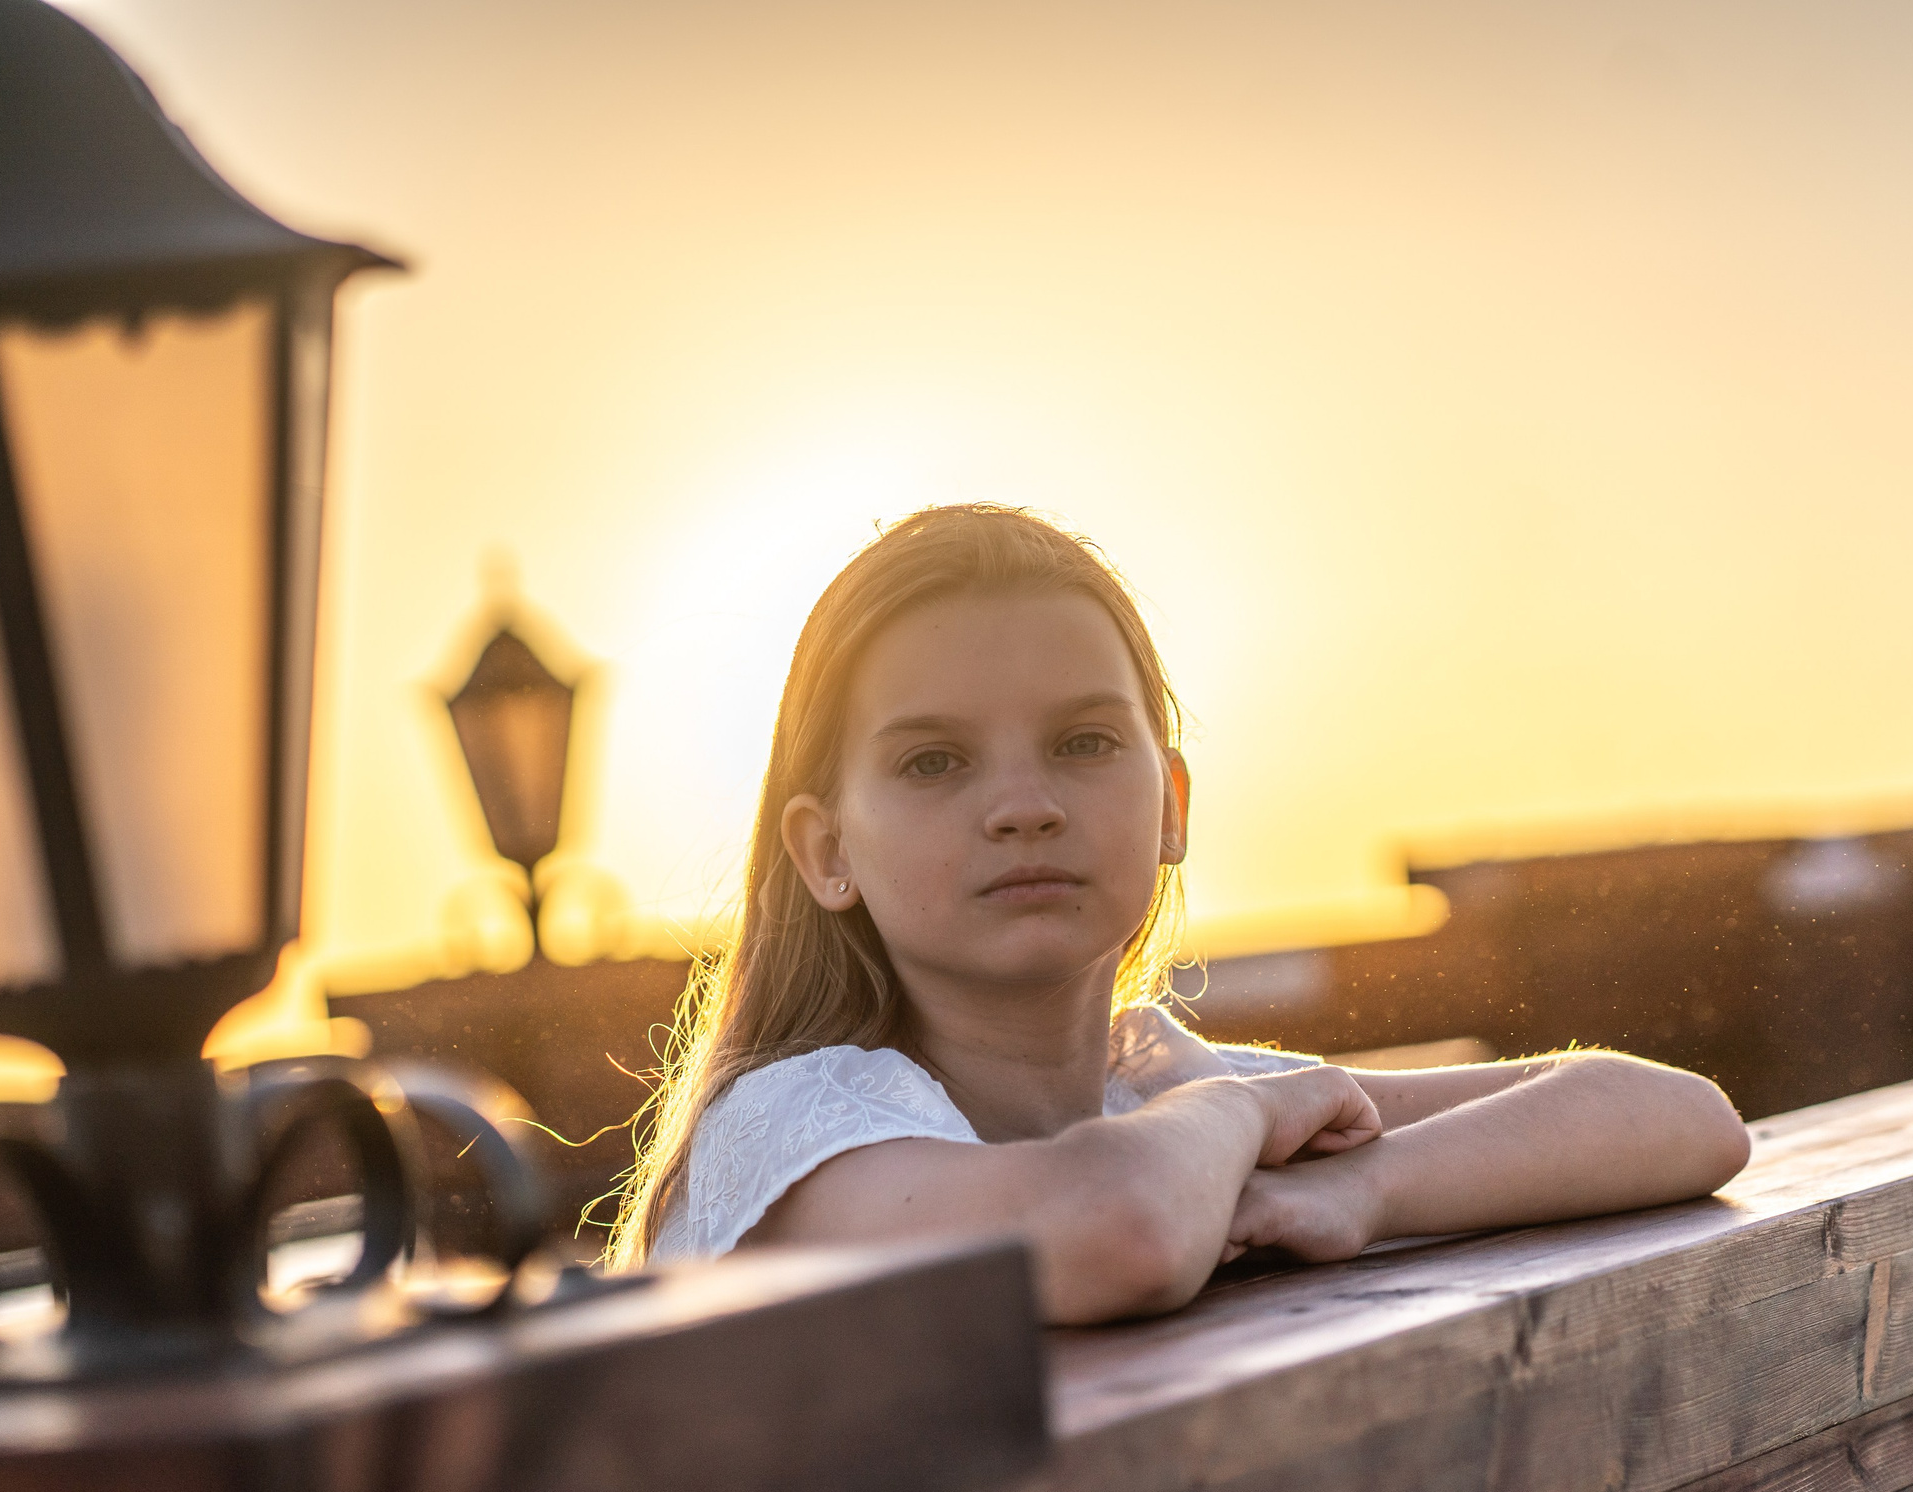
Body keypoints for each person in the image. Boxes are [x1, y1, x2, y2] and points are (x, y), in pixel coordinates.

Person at [606, 505, 1751, 1321]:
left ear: (1171, 805)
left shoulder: (1150, 1085)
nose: (1022, 806)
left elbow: (1678, 1118)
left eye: (1085, 744)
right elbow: (1121, 1230)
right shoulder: (790, 1133)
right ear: (826, 851)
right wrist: (1239, 1118)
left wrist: (1361, 1187)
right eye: (934, 762)